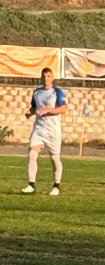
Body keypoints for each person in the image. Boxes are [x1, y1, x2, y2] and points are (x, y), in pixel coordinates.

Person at [22, 66, 67, 196]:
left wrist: (48, 110)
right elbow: (34, 108)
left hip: (53, 131)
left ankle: (56, 186)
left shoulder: (57, 92)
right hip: (39, 129)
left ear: (52, 78)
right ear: (41, 77)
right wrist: (29, 113)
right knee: (32, 154)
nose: (46, 78)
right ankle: (31, 185)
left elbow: (63, 109)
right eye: (44, 76)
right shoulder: (37, 93)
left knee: (54, 158)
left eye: (48, 76)